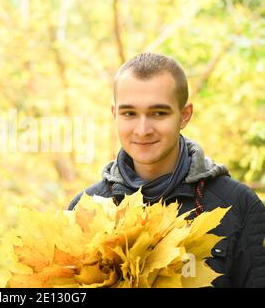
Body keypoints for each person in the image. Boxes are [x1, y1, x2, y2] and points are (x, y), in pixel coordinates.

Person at [68, 52, 265, 288]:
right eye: (129, 113)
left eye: (158, 113)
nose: (142, 130)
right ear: (115, 115)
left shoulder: (238, 206)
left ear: (184, 115)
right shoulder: (85, 209)